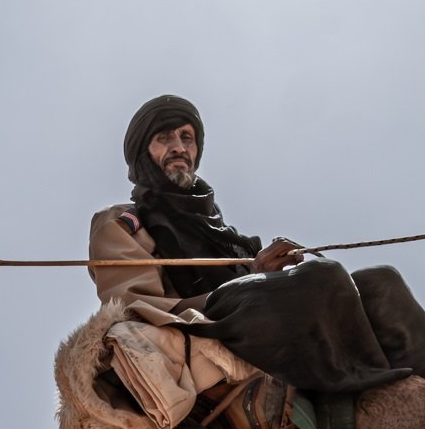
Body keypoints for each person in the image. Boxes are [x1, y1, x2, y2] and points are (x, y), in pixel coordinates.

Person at [88, 94, 300, 319]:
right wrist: (251, 287)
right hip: (189, 339)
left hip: (255, 328)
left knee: (320, 277)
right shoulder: (125, 223)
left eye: (187, 137)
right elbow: (139, 310)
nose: (179, 147)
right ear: (143, 151)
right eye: (164, 137)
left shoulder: (228, 239)